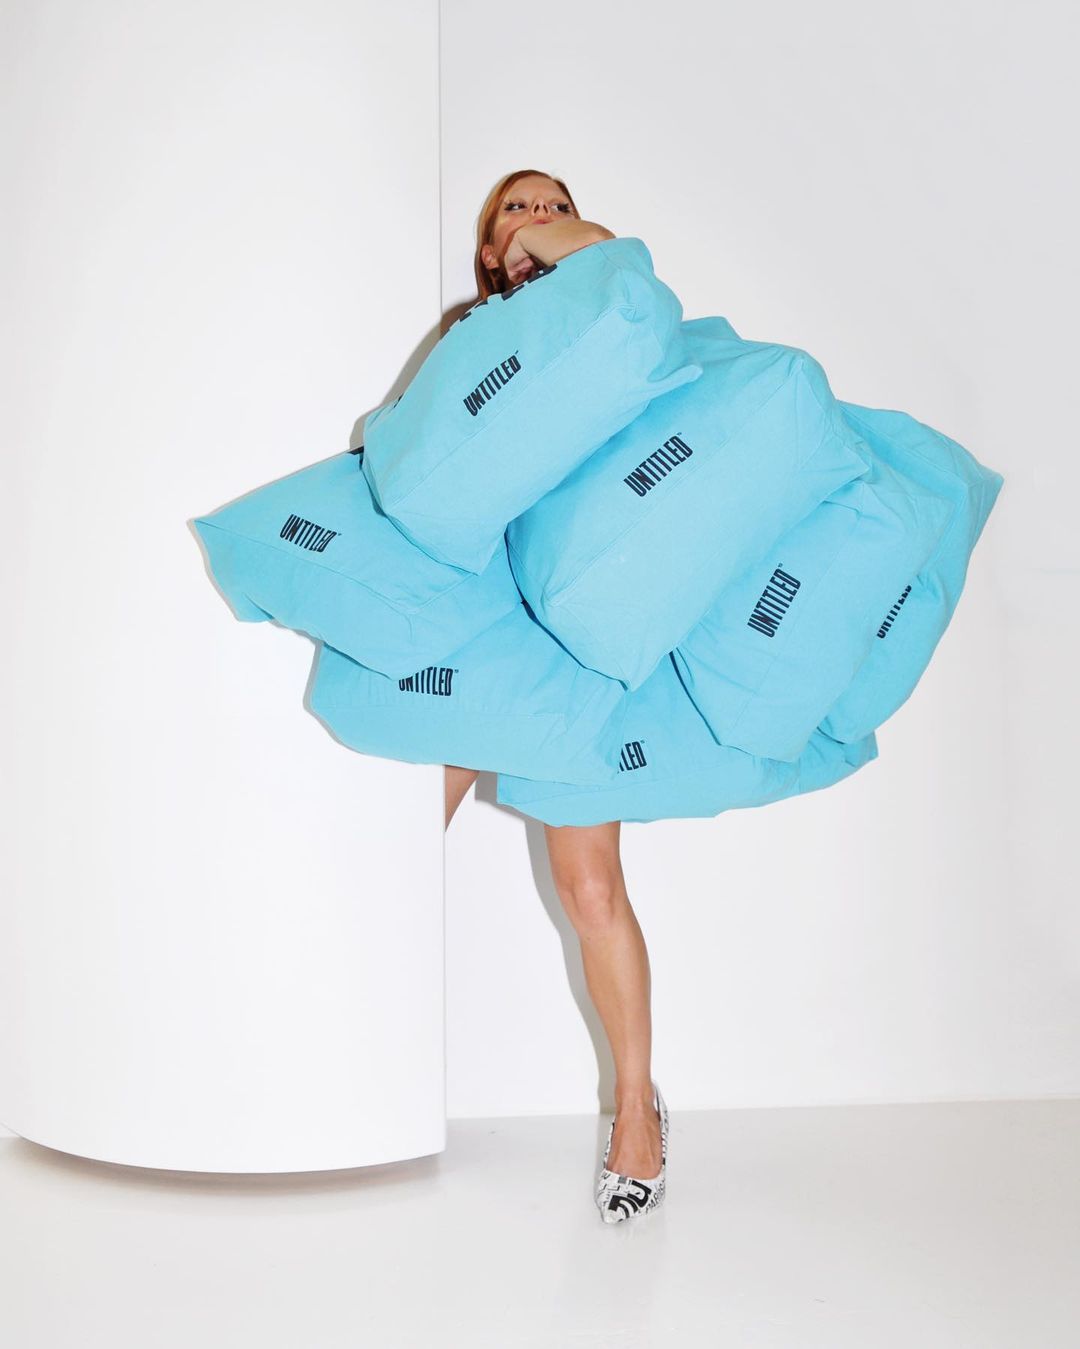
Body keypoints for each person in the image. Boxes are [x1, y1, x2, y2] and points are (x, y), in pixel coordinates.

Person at [444, 169, 668, 1224]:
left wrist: (557, 243)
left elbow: (619, 262)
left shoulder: (608, 316)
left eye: (554, 205)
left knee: (590, 888)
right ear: (488, 253)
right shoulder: (467, 338)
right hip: (485, 619)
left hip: (579, 620)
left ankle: (637, 1110)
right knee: (396, 842)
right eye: (515, 209)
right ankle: (353, 1066)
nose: (537, 216)